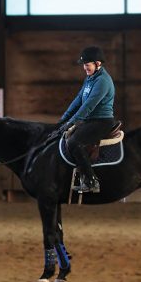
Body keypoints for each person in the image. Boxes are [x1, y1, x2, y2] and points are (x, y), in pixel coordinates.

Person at [49, 46, 115, 193]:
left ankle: (91, 181)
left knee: (74, 142)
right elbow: (78, 100)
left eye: (87, 65)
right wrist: (63, 119)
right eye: (84, 65)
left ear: (98, 63)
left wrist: (70, 123)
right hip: (90, 121)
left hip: (101, 121)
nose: (85, 68)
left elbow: (88, 106)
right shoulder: (90, 79)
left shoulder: (103, 81)